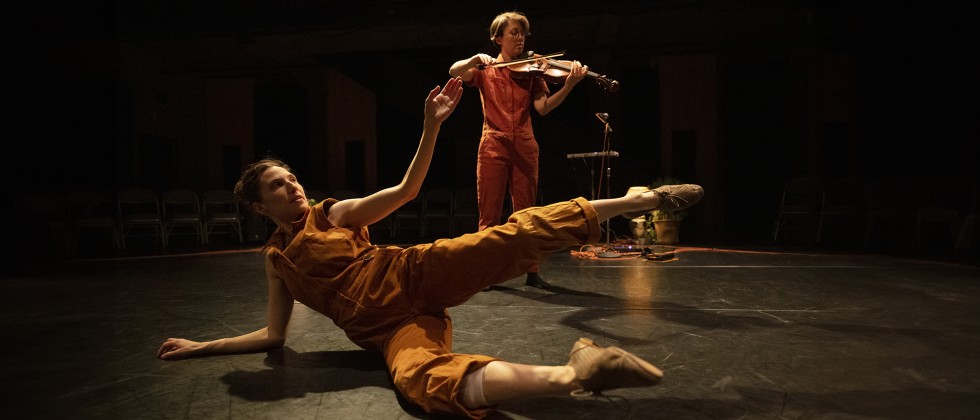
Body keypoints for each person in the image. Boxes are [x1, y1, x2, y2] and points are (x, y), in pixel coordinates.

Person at [157, 77, 704, 419]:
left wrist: (431, 126)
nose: (292, 185)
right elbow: (274, 335)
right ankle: (577, 374)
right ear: (259, 207)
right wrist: (203, 347)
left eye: (292, 176)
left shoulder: (333, 214)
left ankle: (636, 200)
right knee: (421, 383)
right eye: (278, 185)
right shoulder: (276, 261)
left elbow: (406, 190)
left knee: (508, 237)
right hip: (389, 331)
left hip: (410, 276)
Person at [449, 11, 588, 289]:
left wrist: (570, 84)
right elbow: (454, 71)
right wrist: (476, 59)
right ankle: (487, 271)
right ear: (498, 38)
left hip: (525, 143)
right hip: (493, 143)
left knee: (526, 211)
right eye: (514, 33)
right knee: (489, 213)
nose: (521, 38)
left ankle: (531, 269)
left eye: (523, 33)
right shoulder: (485, 70)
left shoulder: (533, 70)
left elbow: (543, 108)